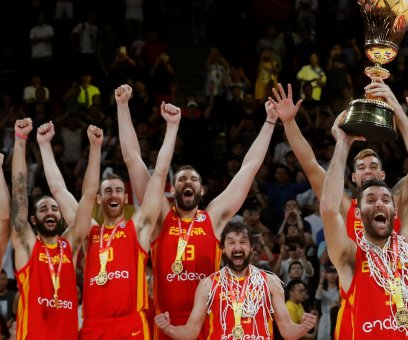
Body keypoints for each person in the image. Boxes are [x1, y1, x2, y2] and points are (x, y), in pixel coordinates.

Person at [115, 84, 277, 339]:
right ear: (172, 189)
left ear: (202, 190)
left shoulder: (212, 218)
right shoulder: (161, 216)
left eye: (193, 179)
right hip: (164, 324)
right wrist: (122, 107)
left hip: (209, 323)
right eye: (181, 179)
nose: (187, 182)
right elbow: (133, 159)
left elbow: (249, 167)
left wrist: (269, 121)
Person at [272, 65, 408, 242]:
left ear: (383, 174)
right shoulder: (346, 206)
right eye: (361, 167)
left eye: (373, 166)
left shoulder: (395, 199)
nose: (368, 171)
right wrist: (289, 122)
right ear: (353, 177)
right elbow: (310, 166)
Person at [320, 79, 408, 338]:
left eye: (385, 199)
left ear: (394, 211)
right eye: (370, 200)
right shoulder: (350, 256)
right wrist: (342, 142)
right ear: (358, 214)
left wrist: (396, 109)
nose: (380, 203)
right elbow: (328, 209)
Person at [77, 103, 180, 339]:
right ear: (100, 198)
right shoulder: (89, 232)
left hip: (130, 325)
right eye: (108, 191)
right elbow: (77, 194)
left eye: (118, 190)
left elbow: (160, 174)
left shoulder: (138, 228)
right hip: (93, 326)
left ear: (125, 197)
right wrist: (95, 148)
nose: (113, 195)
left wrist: (172, 128)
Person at [154, 221, 317, 339]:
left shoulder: (270, 282)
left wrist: (302, 328)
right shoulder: (208, 285)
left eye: (243, 242)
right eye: (231, 242)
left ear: (252, 248)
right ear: (223, 248)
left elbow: (287, 330)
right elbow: (191, 332)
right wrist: (168, 329)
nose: (237, 247)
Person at [12, 118, 96, 339]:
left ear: (61, 217)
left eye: (54, 208)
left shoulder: (69, 245)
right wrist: (20, 141)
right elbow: (19, 192)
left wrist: (95, 150)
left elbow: (87, 199)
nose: (50, 212)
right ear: (32, 219)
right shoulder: (28, 246)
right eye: (43, 209)